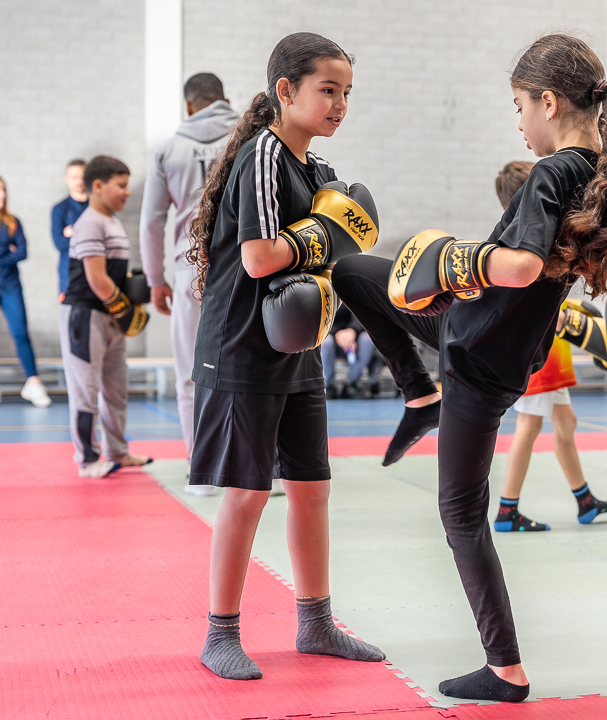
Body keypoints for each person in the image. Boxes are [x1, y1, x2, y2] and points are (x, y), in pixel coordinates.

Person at [333, 35, 607, 702]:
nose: (519, 123)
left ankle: (505, 668)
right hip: (496, 350)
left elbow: (518, 267)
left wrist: (453, 259)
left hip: (473, 353)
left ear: (548, 102)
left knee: (460, 512)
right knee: (352, 273)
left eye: (519, 107)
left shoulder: (550, 174)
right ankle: (417, 396)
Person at [185, 32, 385, 682]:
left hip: (299, 348)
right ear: (286, 91)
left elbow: (333, 264)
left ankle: (316, 622)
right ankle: (220, 634)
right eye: (328, 90)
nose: (340, 104)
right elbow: (259, 257)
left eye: (346, 92)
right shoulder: (264, 155)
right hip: (241, 350)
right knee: (247, 494)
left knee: (311, 487)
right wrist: (326, 231)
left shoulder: (318, 172)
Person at [491, 161, 607, 533]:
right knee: (529, 425)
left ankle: (585, 500)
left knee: (566, 422)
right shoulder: (526, 241)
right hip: (538, 347)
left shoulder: (533, 234)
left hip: (550, 344)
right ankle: (507, 509)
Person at [139, 72, 239, 497]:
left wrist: (154, 279)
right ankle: (263, 469)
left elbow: (151, 221)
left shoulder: (168, 148)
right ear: (224, 99)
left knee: (190, 374)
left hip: (190, 268)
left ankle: (202, 472)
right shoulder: (251, 135)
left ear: (189, 106)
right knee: (252, 367)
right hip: (247, 264)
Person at [60, 155, 152, 478]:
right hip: (85, 316)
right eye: (121, 185)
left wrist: (131, 295)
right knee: (86, 390)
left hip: (109, 314)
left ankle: (117, 451)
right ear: (98, 186)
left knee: (115, 388)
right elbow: (97, 279)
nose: (127, 192)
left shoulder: (113, 222)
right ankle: (87, 459)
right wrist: (125, 310)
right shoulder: (90, 222)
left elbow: (113, 276)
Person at [0, 176, 51, 408]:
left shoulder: (13, 222)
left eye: (3, 189)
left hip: (10, 285)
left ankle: (33, 382)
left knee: (21, 333)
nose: (2, 194)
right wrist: (7, 249)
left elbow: (22, 252)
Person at [320, 305, 377, 398]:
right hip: (330, 335)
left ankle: (350, 383)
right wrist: (338, 334)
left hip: (355, 339)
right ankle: (328, 384)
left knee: (367, 339)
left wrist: (352, 330)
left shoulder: (358, 296)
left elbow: (363, 314)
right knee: (326, 341)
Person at [51, 159, 88, 300]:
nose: (79, 181)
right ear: (67, 178)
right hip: (69, 274)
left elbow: (105, 239)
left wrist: (74, 232)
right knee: (69, 312)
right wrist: (88, 234)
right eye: (74, 177)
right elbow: (59, 243)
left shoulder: (99, 206)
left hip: (95, 271)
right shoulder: (59, 209)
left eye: (82, 176)